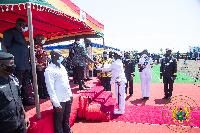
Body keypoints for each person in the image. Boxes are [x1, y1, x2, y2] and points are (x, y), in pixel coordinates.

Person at [1, 18, 35, 106]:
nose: (26, 27)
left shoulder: (21, 34)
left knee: (25, 84)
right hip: (17, 64)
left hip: (25, 64)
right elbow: (4, 45)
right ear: (19, 24)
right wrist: (7, 61)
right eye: (25, 25)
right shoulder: (10, 32)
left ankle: (26, 99)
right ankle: (18, 103)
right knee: (17, 85)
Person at [0, 52, 30, 133]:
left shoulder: (13, 79)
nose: (14, 66)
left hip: (19, 122)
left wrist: (25, 116)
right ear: (1, 65)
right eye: (11, 64)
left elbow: (18, 99)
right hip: (4, 126)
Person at [44, 49, 73, 133]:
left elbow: (66, 83)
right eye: (60, 55)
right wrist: (56, 103)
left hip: (67, 98)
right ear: (54, 57)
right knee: (59, 120)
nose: (62, 57)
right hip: (59, 100)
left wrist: (70, 94)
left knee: (66, 117)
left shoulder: (62, 67)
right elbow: (50, 88)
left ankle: (68, 131)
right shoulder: (49, 70)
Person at [35, 34, 48, 99]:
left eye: (43, 39)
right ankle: (41, 94)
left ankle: (45, 92)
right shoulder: (35, 47)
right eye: (41, 39)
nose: (43, 40)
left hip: (45, 67)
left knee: (45, 81)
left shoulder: (43, 48)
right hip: (40, 67)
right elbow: (33, 58)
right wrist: (37, 65)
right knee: (40, 81)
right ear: (38, 39)